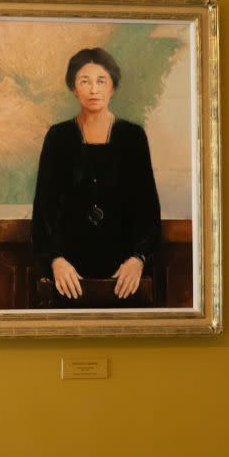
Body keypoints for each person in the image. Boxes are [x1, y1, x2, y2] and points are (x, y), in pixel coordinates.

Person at [31, 47, 162, 301]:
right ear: (73, 88)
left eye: (101, 81)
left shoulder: (133, 137)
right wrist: (56, 260)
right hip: (68, 274)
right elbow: (44, 208)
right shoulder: (58, 137)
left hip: (124, 274)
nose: (93, 90)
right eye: (85, 81)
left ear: (112, 87)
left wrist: (138, 259)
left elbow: (148, 209)